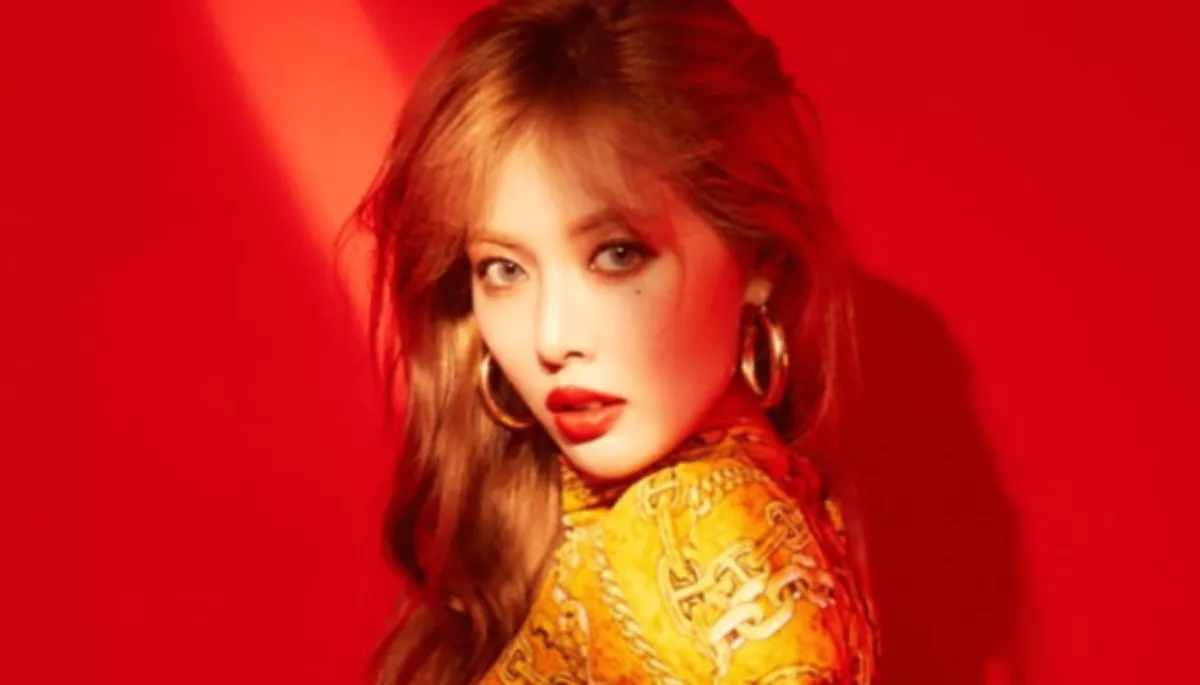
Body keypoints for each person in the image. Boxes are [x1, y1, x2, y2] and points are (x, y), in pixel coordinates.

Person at [347, 0, 881, 682]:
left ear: (761, 261)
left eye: (617, 254)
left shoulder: (726, 553)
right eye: (503, 269)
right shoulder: (586, 523)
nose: (551, 338)